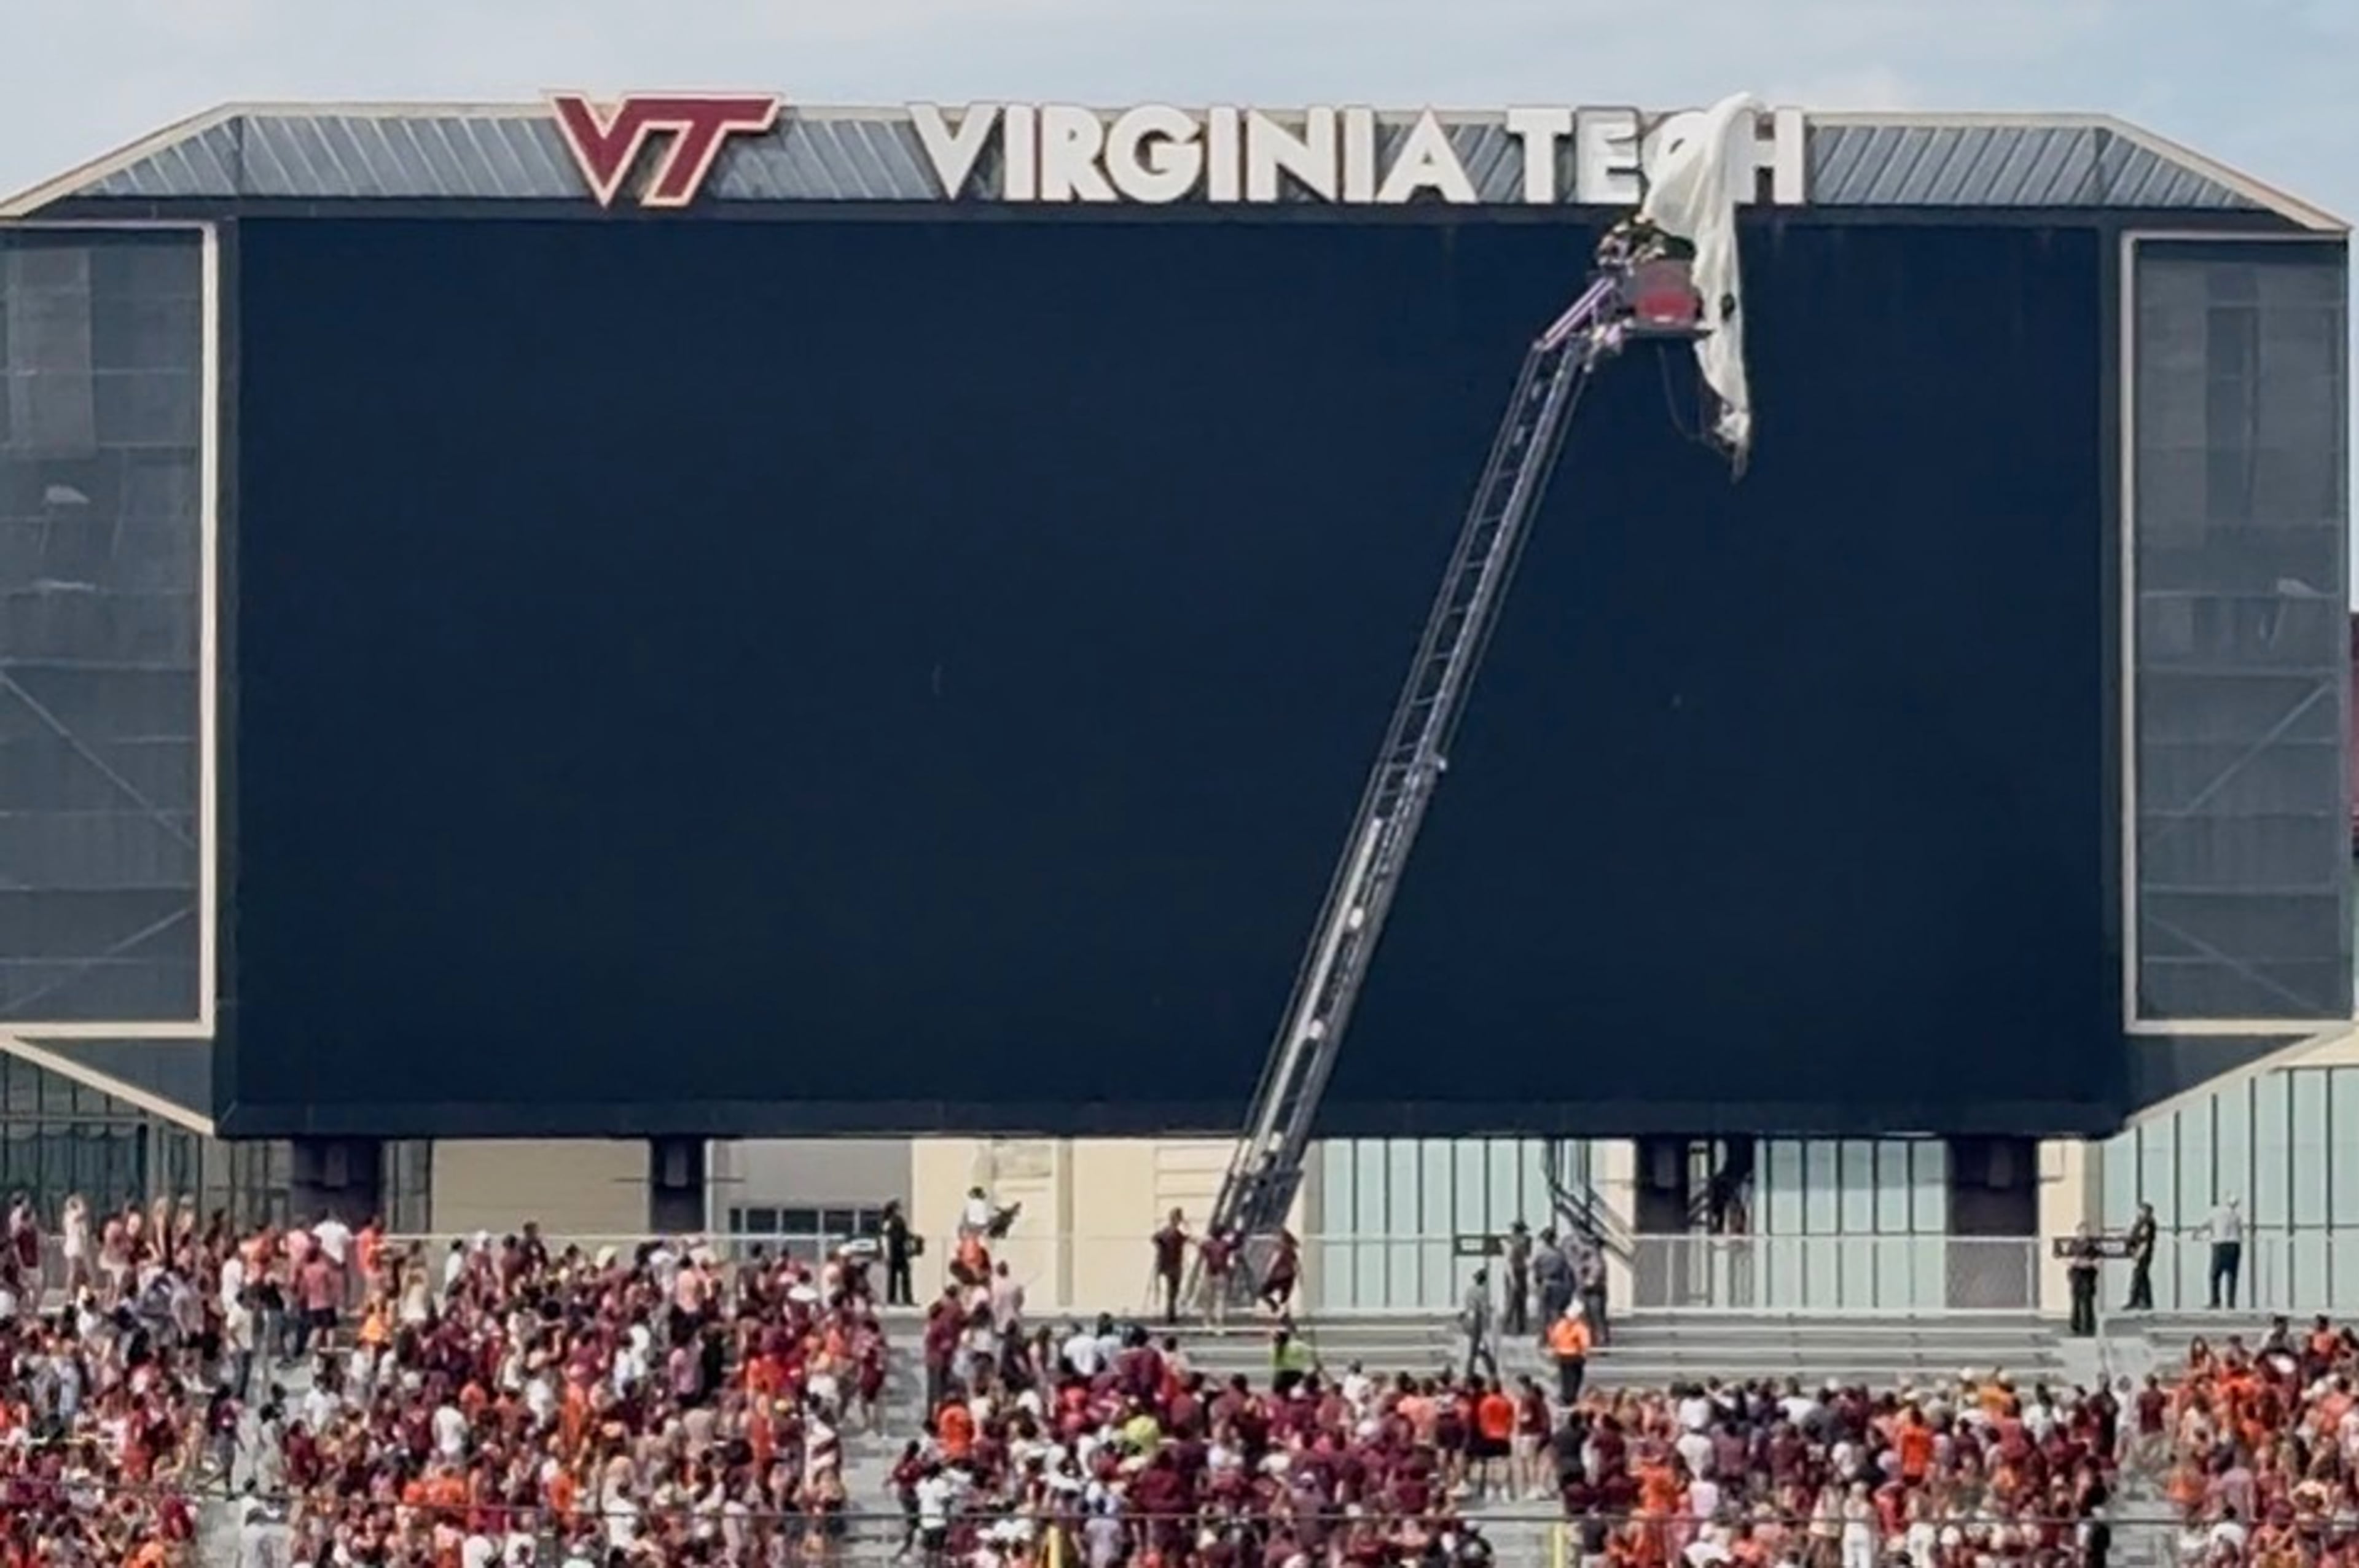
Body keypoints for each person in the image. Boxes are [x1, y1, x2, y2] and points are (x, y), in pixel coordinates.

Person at [1546, 1300, 1592, 1406]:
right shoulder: (1579, 1327)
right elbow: (1585, 1341)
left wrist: (1553, 1348)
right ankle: (1570, 1397)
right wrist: (1585, 1351)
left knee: (1567, 1378)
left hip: (1564, 1355)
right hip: (1575, 1355)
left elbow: (1554, 1338)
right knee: (1574, 1378)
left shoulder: (1561, 1325)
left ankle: (1567, 1396)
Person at [1460, 1266, 1498, 1381]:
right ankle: (1480, 1370)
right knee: (1477, 1346)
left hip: (1469, 1319)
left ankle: (1485, 1367)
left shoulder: (1469, 1290)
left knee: (1476, 1346)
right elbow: (1483, 1307)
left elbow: (1467, 1305)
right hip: (1477, 1319)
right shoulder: (1483, 1291)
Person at [1151, 1209, 1189, 1325]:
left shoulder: (1166, 1232)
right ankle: (1171, 1314)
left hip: (1169, 1264)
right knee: (1173, 1291)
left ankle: (1171, 1313)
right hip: (1173, 1265)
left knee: (1172, 1291)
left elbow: (1155, 1238)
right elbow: (1186, 1238)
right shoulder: (1174, 1233)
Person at [2205, 1195, 2244, 1309]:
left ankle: (2215, 1301)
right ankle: (2231, 1302)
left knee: (2215, 1275)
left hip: (2220, 1244)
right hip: (2234, 1244)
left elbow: (2208, 1224)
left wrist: (2197, 1233)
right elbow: (2240, 1231)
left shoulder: (2216, 1212)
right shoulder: (2236, 1216)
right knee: (2232, 1275)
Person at [2066, 1221, 2100, 1337]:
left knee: (2087, 1301)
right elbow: (2068, 1259)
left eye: (2086, 1231)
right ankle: (2075, 1325)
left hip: (2088, 1276)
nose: (2084, 1233)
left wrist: (2088, 1263)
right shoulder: (2073, 1244)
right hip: (2076, 1275)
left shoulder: (2093, 1245)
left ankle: (2088, 1326)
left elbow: (2097, 1261)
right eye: (2081, 1231)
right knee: (2075, 1300)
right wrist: (2074, 1262)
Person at [880, 1199, 918, 1306]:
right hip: (897, 1252)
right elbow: (900, 1235)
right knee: (903, 1276)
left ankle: (892, 1298)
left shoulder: (888, 1222)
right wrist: (911, 1239)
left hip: (895, 1252)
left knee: (893, 1277)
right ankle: (906, 1299)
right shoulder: (894, 1221)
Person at [2123, 1201, 2156, 1312]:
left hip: (2143, 1253)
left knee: (2138, 1275)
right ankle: (2146, 1300)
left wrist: (2138, 1254)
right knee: (2143, 1277)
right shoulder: (2139, 1222)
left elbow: (2145, 1241)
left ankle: (2135, 1300)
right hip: (2138, 1251)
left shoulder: (2147, 1223)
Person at [1503, 1222, 1532, 1337]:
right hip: (1515, 1272)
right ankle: (1508, 1327)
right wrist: (1513, 1278)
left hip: (1520, 1272)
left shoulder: (1520, 1242)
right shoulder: (1512, 1243)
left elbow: (1527, 1259)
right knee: (1512, 1301)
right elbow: (1509, 1261)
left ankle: (1520, 1327)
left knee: (1521, 1301)